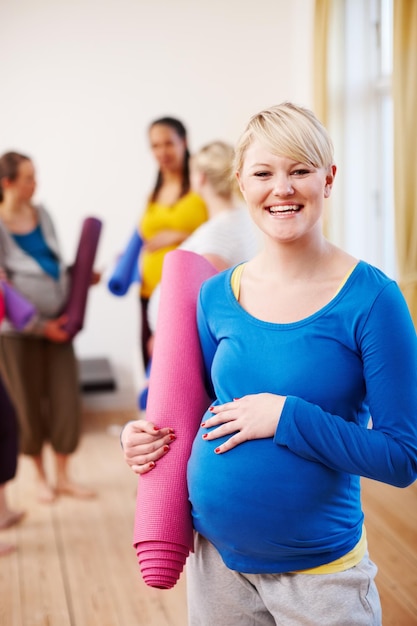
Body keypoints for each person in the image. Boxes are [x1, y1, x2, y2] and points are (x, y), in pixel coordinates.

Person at [121, 102, 417, 625]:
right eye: (263, 173)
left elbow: (401, 457)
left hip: (321, 579)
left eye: (299, 170)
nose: (281, 188)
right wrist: (143, 440)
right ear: (241, 182)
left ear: (327, 179)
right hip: (217, 567)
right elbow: (198, 409)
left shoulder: (373, 299)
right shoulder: (215, 296)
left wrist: (288, 417)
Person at [0, 151, 96, 504]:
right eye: (28, 178)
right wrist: (41, 327)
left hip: (62, 325)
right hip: (17, 334)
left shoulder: (43, 214)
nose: (35, 183)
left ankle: (64, 476)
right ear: (7, 183)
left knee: (65, 400)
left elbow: (53, 263)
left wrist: (82, 278)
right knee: (27, 405)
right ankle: (40, 478)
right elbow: (2, 288)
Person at [138, 117, 208, 369]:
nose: (162, 152)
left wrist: (177, 236)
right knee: (152, 371)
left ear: (184, 142)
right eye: (155, 146)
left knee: (183, 371)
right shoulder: (154, 190)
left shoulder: (201, 183)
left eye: (168, 143)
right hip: (149, 291)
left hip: (186, 296)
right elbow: (143, 234)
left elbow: (219, 231)